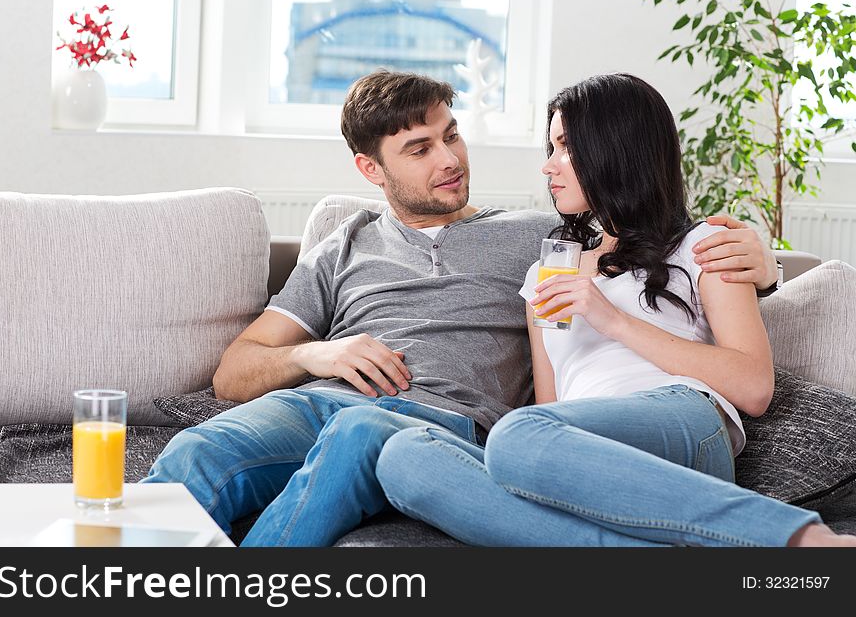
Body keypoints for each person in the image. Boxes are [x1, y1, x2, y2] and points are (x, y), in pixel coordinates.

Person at [142, 71, 781, 547]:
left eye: (451, 136)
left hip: (443, 421)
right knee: (194, 455)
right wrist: (319, 352)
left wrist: (766, 262)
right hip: (319, 400)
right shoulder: (341, 248)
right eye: (419, 150)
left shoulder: (543, 239)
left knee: (360, 435)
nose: (449, 160)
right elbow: (234, 372)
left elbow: (639, 236)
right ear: (371, 168)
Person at [375, 73, 856, 547]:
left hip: (683, 420)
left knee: (516, 434)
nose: (549, 166)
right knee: (404, 457)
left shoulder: (705, 245)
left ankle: (800, 539)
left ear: (615, 149)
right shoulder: (546, 274)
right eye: (551, 148)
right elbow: (553, 411)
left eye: (565, 147)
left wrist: (613, 319)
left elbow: (753, 388)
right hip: (583, 450)